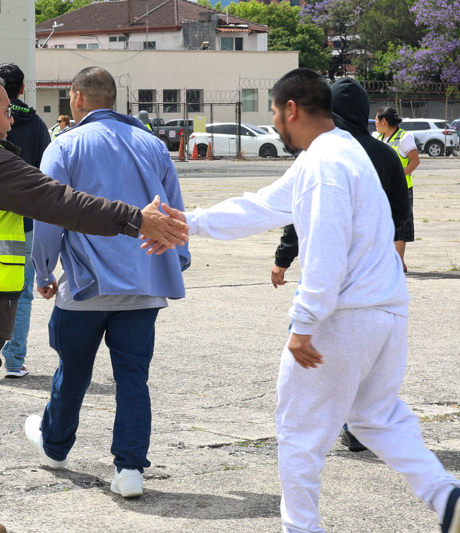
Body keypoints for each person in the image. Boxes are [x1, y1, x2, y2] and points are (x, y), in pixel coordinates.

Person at [147, 67, 460, 533]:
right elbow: (264, 205)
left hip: (344, 316)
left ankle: (302, 529)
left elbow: (328, 250)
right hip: (385, 311)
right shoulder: (341, 153)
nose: (274, 124)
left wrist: (304, 323)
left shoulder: (324, 165)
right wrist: (188, 222)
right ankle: (446, 497)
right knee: (377, 418)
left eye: (274, 112)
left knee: (299, 433)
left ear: (291, 108)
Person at [0, 73, 188, 533]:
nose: (13, 119)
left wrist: (44, 270)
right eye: (7, 111)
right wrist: (134, 220)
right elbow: (61, 203)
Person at [26, 66, 189, 499]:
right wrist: (178, 260)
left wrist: (43, 271)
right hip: (145, 283)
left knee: (73, 371)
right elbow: (174, 211)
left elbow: (48, 215)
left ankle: (56, 447)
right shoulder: (154, 145)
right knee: (133, 378)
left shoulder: (65, 145)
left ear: (77, 99)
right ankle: (131, 468)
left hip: (85, 285)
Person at [271, 78, 411, 454]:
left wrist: (283, 258)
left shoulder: (322, 155)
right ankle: (357, 426)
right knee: (365, 361)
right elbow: (400, 212)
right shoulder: (385, 155)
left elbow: (297, 217)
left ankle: (310, 432)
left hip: (330, 280)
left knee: (307, 356)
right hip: (377, 283)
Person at [0, 62, 53, 378]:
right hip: (24, 220)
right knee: (22, 293)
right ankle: (13, 361)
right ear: (22, 89)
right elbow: (47, 171)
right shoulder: (37, 124)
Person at [374, 107, 420, 272]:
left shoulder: (404, 137)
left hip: (401, 189)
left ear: (384, 121)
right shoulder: (377, 137)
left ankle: (398, 261)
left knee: (401, 225)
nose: (375, 124)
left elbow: (414, 162)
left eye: (376, 121)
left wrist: (398, 179)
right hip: (381, 189)